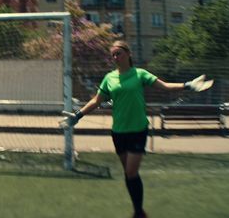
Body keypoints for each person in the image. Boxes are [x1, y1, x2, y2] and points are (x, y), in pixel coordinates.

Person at [59, 40, 212, 218]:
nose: (115, 57)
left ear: (128, 54)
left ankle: (139, 212)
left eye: (119, 53)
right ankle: (138, 208)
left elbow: (165, 86)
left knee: (131, 172)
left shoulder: (140, 74)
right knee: (129, 173)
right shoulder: (109, 78)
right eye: (113, 55)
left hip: (138, 130)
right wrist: (77, 116)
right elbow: (96, 101)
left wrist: (187, 85)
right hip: (118, 132)